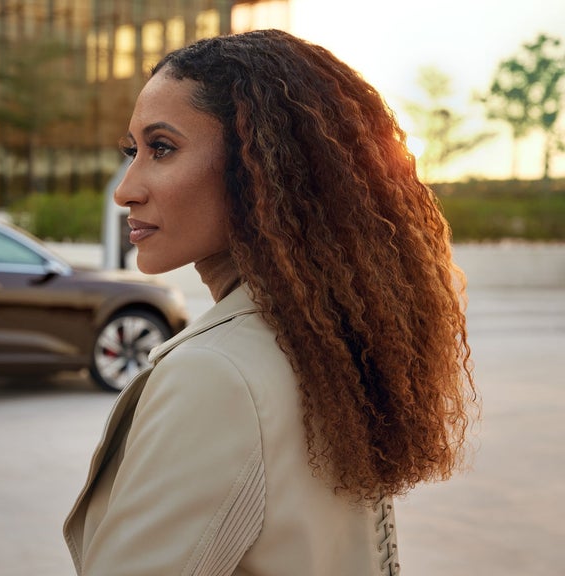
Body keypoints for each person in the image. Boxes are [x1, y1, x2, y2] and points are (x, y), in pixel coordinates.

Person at [63, 29, 478, 576]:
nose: (126, 188)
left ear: (259, 166)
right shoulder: (324, 343)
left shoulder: (215, 375)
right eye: (131, 150)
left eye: (161, 148)